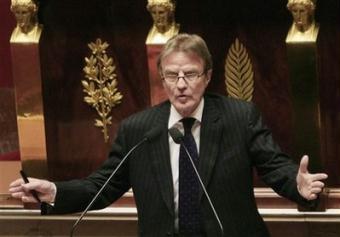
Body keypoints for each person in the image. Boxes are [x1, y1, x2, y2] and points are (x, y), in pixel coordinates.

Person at [9, 34, 328, 237]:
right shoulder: (139, 129)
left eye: (190, 74)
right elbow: (101, 187)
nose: (181, 84)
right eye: (172, 75)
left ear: (207, 77)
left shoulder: (239, 118)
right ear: (162, 77)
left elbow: (275, 167)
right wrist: (53, 191)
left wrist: (298, 186)